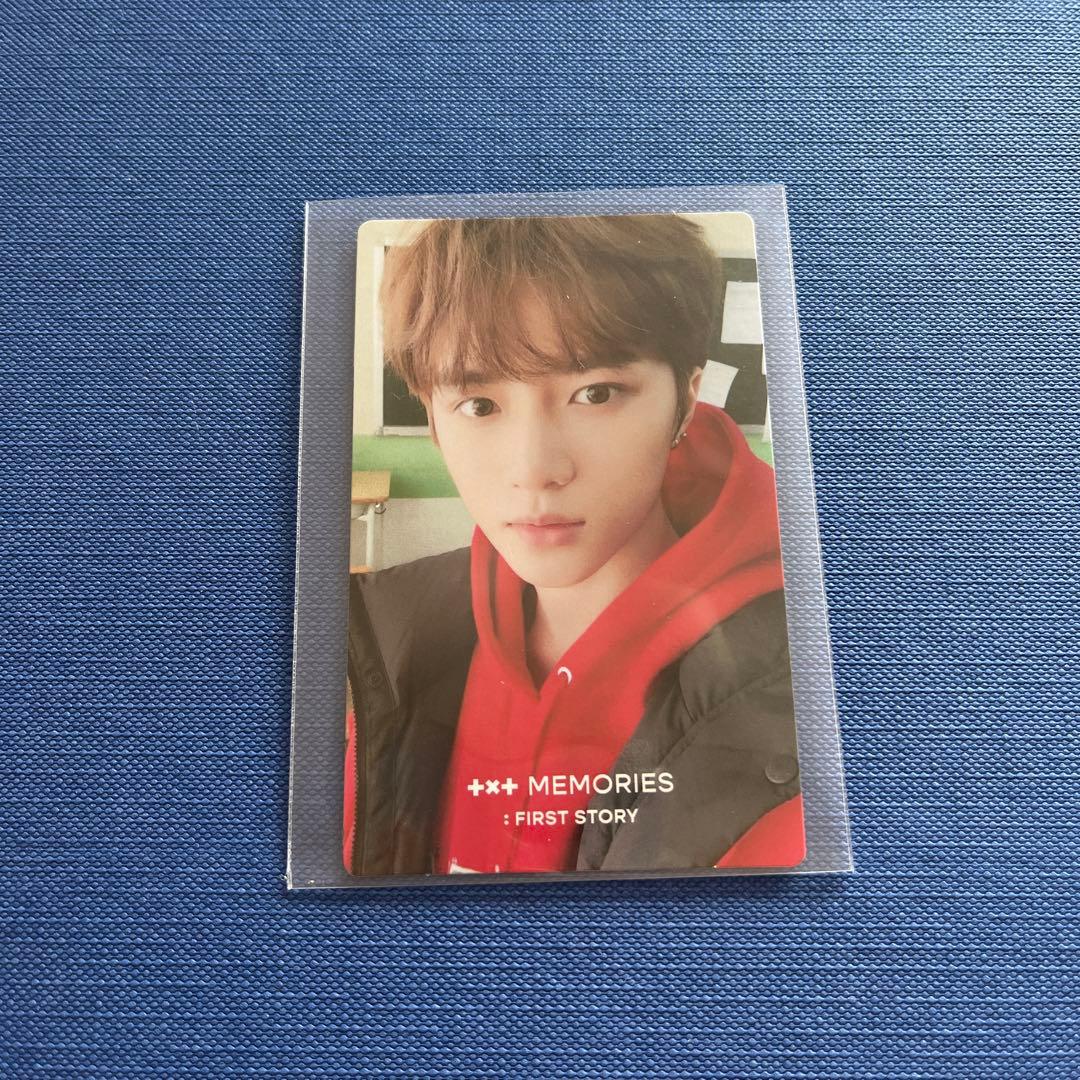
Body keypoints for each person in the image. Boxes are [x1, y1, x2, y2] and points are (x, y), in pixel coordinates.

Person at [344, 214, 804, 876]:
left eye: (596, 393)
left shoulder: (798, 697)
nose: (535, 470)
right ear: (435, 423)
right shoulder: (384, 636)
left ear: (685, 400)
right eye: (479, 405)